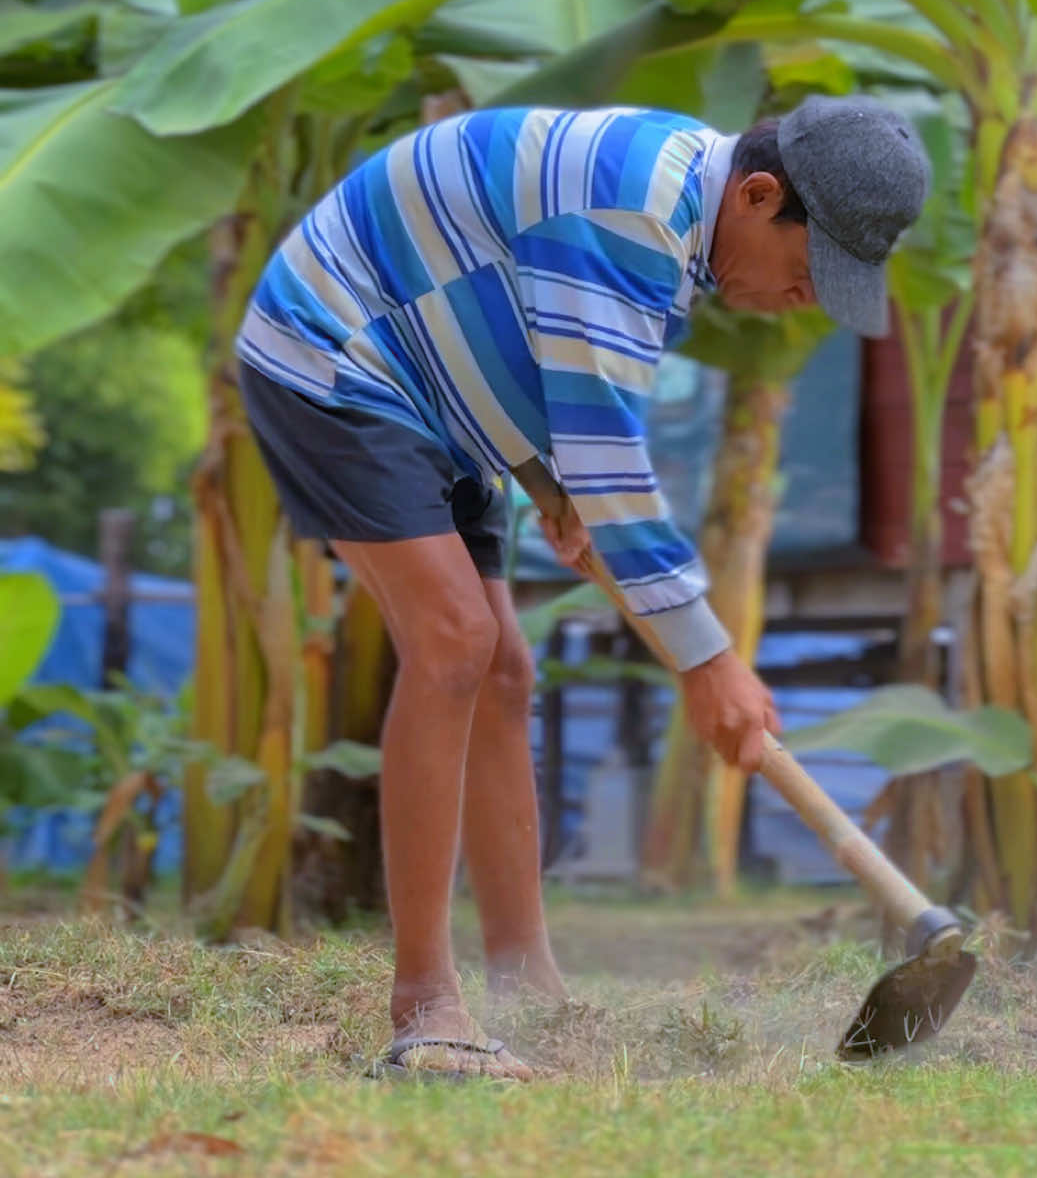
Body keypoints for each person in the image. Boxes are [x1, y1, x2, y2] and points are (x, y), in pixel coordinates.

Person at [236, 95, 930, 1079]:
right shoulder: (632, 215)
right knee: (452, 643)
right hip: (340, 352)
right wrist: (708, 663)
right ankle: (426, 1007)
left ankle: (530, 988)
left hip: (447, 393)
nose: (808, 298)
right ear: (759, 194)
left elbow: (536, 338)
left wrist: (545, 477)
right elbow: (614, 465)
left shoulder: (683, 205)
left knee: (505, 671)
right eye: (811, 267)